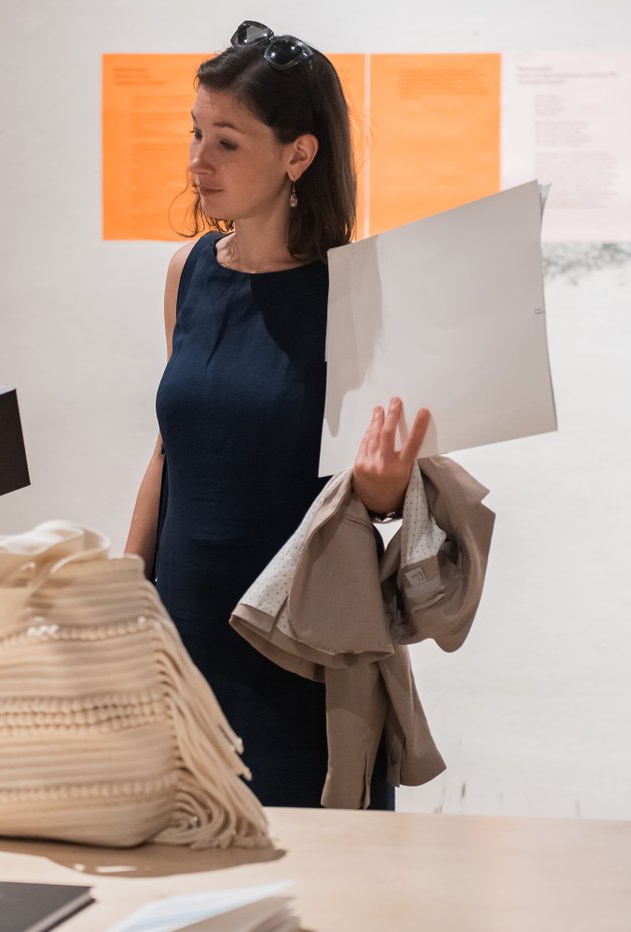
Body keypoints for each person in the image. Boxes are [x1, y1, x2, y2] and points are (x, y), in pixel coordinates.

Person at [125, 23, 431, 809]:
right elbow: (170, 452)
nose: (198, 160)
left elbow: (380, 490)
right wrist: (125, 594)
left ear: (298, 154)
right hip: (184, 630)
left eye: (226, 141)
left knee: (316, 897)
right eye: (196, 132)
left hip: (299, 643)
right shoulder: (187, 272)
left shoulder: (354, 292)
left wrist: (387, 489)